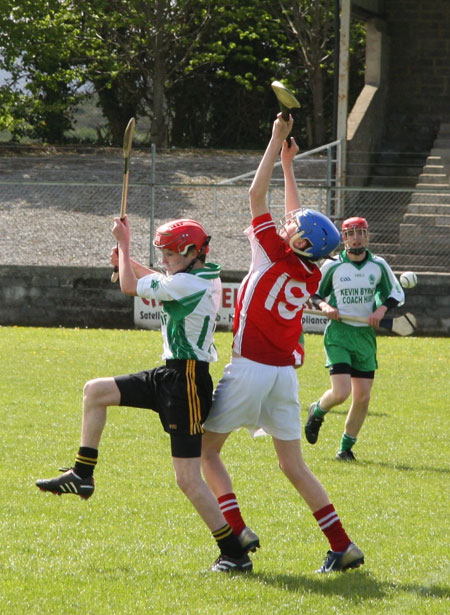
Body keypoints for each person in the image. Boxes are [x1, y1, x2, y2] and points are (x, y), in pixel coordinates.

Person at [36, 217, 252, 573]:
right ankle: (82, 474)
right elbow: (153, 277)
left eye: (169, 252)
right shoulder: (197, 274)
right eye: (162, 253)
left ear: (190, 252)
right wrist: (126, 257)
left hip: (186, 384)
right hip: (168, 374)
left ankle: (234, 552)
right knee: (95, 391)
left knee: (187, 479)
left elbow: (129, 287)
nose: (164, 258)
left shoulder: (188, 283)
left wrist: (125, 244)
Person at [201, 114, 365, 573]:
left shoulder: (272, 249)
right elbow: (302, 223)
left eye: (294, 225)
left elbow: (256, 195)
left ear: (296, 239)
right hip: (283, 378)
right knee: (293, 466)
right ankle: (343, 545)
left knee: (205, 452)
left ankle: (235, 530)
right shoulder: (310, 267)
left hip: (249, 369)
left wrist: (274, 141)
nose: (288, 222)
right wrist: (291, 168)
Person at [305, 216, 405, 460]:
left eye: (361, 232)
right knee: (341, 393)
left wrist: (381, 310)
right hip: (339, 334)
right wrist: (325, 307)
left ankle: (345, 449)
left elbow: (395, 292)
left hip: (364, 336)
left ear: (367, 236)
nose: (356, 237)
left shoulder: (378, 265)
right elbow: (314, 292)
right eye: (351, 233)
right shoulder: (333, 266)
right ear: (344, 238)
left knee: (362, 396)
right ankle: (317, 411)